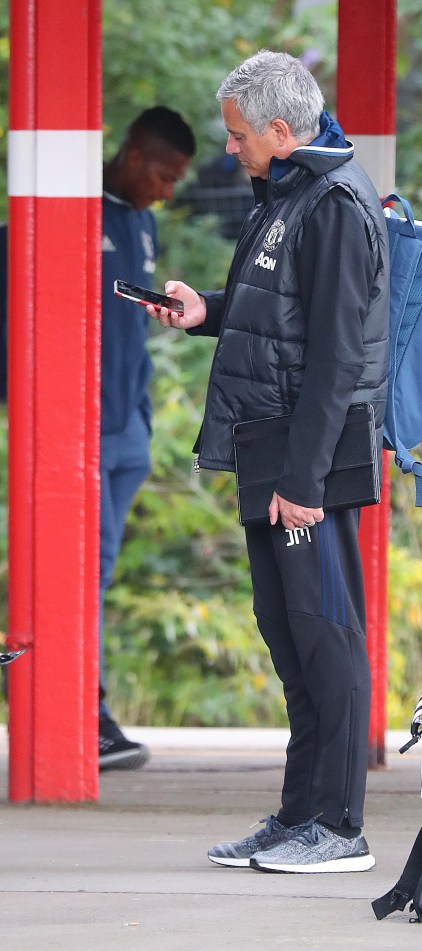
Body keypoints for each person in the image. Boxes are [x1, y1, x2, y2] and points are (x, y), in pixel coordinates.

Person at [153, 50, 389, 873]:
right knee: (288, 636)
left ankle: (341, 829)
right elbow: (277, 318)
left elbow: (333, 359)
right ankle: (298, 817)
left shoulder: (334, 206)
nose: (229, 150)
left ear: (281, 132)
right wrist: (205, 310)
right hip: (272, 448)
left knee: (326, 635)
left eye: (237, 135)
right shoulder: (285, 194)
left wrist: (304, 482)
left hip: (307, 460)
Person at [98, 107, 195, 770]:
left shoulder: (144, 222)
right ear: (133, 155)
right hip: (82, 424)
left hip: (130, 424)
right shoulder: (70, 212)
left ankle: (91, 709)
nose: (166, 189)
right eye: (161, 174)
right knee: (85, 571)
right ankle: (85, 709)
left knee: (100, 570)